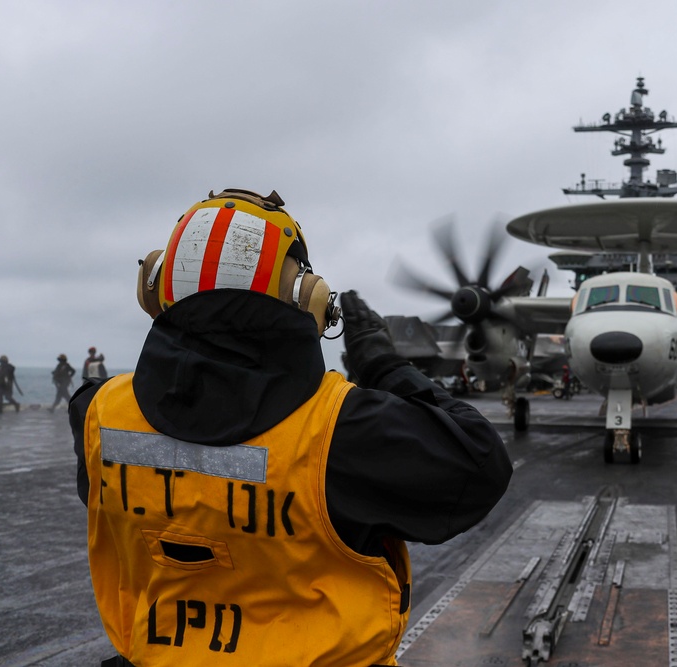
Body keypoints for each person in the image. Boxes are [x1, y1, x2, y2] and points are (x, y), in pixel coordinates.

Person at [69, 189, 512, 666]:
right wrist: (383, 364)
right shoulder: (341, 430)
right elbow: (480, 461)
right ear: (305, 297)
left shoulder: (97, 412)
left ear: (155, 285)